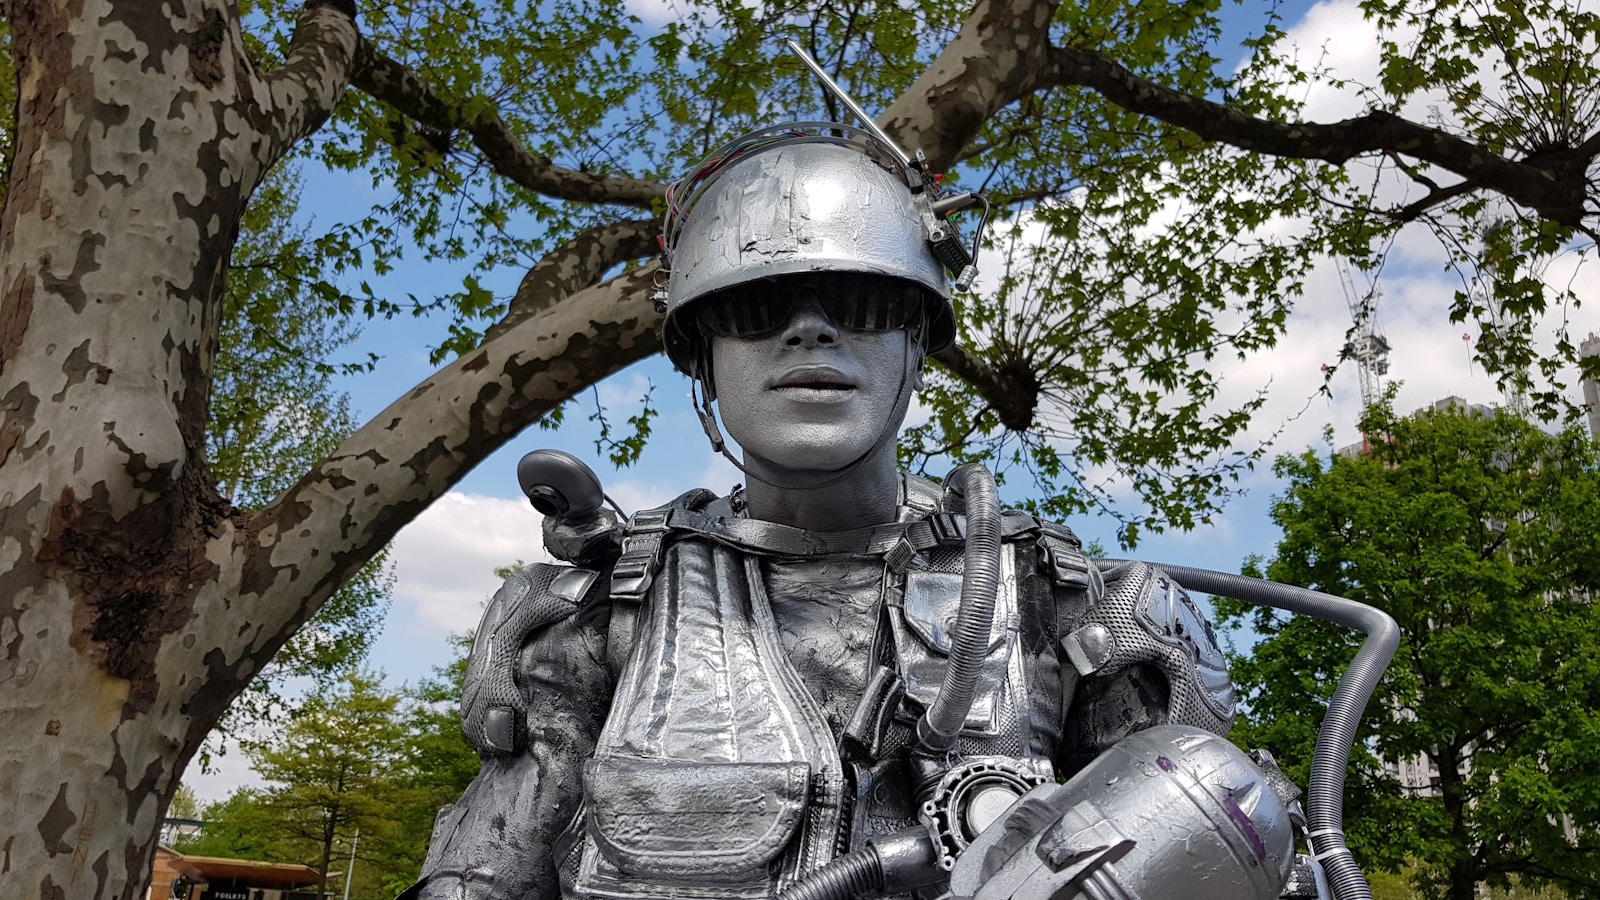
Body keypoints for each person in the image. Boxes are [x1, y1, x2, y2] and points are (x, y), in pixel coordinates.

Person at [404, 124, 1297, 900]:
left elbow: (1233, 858)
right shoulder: (600, 614)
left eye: (862, 302)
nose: (810, 333)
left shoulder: (1075, 610)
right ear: (701, 361)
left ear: (917, 344)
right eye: (756, 306)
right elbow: (484, 874)